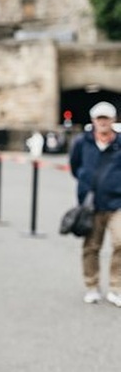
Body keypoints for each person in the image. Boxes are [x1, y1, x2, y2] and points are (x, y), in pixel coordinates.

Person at [69, 101, 121, 307]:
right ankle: (92, 286)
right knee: (91, 247)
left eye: (106, 118)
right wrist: (85, 184)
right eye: (100, 118)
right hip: (91, 204)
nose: (103, 122)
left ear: (113, 120)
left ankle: (116, 287)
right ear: (93, 120)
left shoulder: (119, 142)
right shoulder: (82, 142)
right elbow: (75, 166)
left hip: (117, 202)